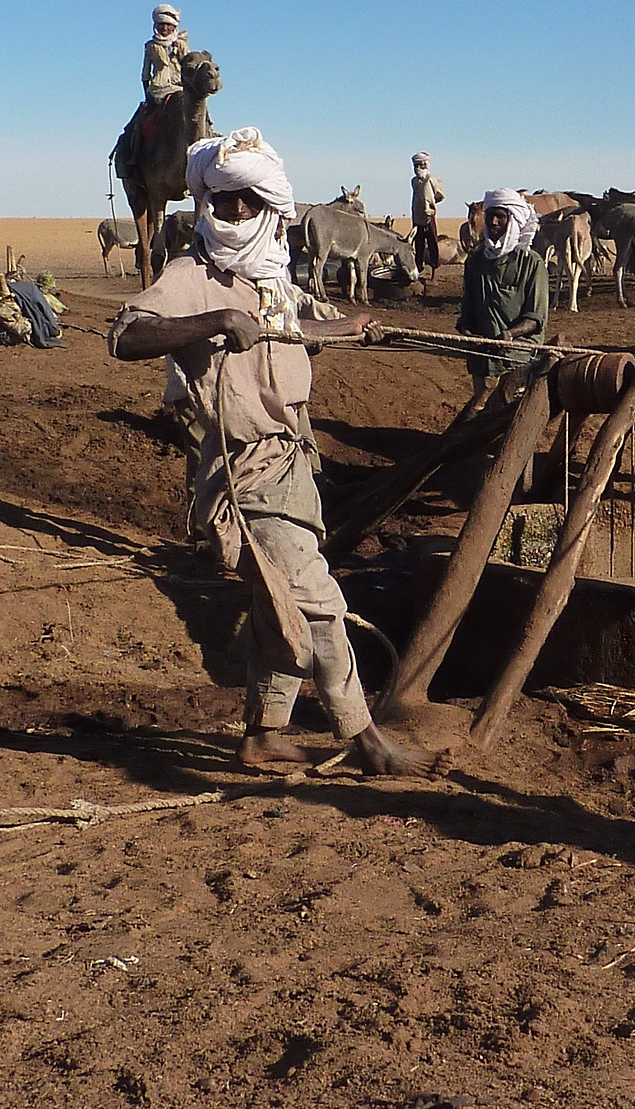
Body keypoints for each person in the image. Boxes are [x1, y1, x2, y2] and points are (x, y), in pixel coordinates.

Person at [109, 127, 435, 776]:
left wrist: (346, 328)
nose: (233, 215)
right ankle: (364, 736)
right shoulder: (192, 276)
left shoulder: (271, 276)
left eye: (247, 203)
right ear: (206, 203)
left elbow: (285, 331)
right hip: (246, 471)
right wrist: (211, 324)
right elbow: (125, 336)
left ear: (270, 210)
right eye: (223, 202)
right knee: (319, 603)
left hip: (293, 462)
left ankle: (261, 734)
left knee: (274, 602)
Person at [458, 188, 548, 395]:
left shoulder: (531, 263)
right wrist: (467, 332)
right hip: (481, 357)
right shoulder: (475, 260)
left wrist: (508, 335)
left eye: (501, 217)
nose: (494, 223)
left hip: (517, 358)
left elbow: (535, 318)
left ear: (513, 219)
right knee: (480, 415)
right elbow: (468, 307)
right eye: (491, 216)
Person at [409, 153, 447, 276]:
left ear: (425, 164)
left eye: (420, 164)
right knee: (418, 243)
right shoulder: (414, 181)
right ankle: (419, 269)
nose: (418, 167)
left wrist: (430, 204)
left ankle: (434, 271)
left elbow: (440, 195)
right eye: (416, 165)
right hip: (416, 215)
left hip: (429, 215)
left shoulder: (431, 179)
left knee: (432, 243)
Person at [141, 4, 188, 104]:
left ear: (174, 27)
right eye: (161, 24)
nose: (164, 28)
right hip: (158, 89)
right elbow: (146, 72)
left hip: (179, 86)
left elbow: (188, 65)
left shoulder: (181, 44)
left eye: (168, 25)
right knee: (146, 115)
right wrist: (147, 93)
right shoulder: (150, 46)